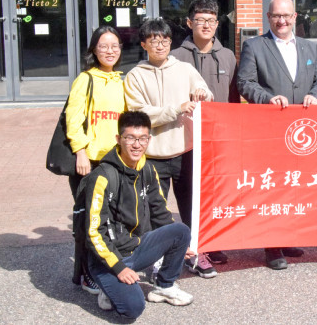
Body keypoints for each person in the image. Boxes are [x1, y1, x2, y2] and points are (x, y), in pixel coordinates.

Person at [237, 0, 317, 269]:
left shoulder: (310, 48)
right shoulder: (254, 46)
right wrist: (267, 99)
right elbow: (245, 82)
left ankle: (288, 236)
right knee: (273, 187)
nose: (282, 21)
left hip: (303, 132)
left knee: (295, 186)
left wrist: (316, 96)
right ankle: (272, 245)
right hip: (271, 131)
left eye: (286, 15)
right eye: (276, 15)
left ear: (295, 17)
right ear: (268, 17)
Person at [124, 18, 217, 278]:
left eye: (165, 40)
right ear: (143, 44)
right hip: (153, 155)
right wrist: (176, 109)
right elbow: (139, 114)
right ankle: (158, 259)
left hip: (186, 151)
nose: (160, 45)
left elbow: (206, 92)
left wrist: (201, 93)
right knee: (155, 211)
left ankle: (196, 252)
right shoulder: (134, 76)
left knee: (192, 208)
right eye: (154, 40)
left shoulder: (185, 69)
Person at [85, 111, 193, 318]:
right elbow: (94, 232)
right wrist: (118, 268)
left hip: (136, 247)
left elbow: (160, 211)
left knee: (180, 231)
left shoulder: (148, 170)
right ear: (119, 139)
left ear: (149, 140)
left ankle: (164, 286)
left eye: (142, 138)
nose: (137, 145)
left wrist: (179, 245)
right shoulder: (102, 176)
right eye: (130, 138)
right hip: (108, 259)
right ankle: (107, 287)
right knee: (133, 309)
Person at [171, 0, 240, 266]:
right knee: (188, 191)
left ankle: (213, 241)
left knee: (216, 190)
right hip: (186, 138)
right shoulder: (176, 57)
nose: (206, 25)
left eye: (211, 20)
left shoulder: (228, 56)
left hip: (218, 138)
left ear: (217, 23)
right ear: (190, 23)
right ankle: (193, 244)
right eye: (200, 20)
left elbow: (233, 99)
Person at [66, 26, 125, 294]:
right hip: (89, 162)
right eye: (103, 46)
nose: (110, 51)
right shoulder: (85, 79)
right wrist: (80, 151)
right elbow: (73, 120)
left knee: (107, 220)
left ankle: (105, 268)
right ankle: (85, 274)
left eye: (114, 46)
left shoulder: (121, 80)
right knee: (88, 222)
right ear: (94, 50)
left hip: (114, 162)